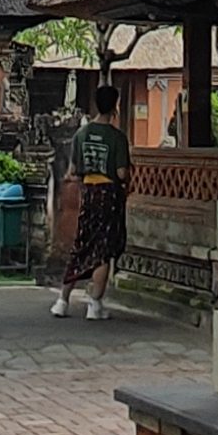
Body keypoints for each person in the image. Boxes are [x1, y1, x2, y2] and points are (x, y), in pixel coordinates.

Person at [52, 83, 131, 320]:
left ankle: (62, 301)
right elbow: (121, 174)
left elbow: (73, 170)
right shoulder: (117, 137)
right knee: (103, 249)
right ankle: (94, 304)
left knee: (81, 245)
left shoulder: (81, 134)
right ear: (115, 106)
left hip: (88, 193)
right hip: (109, 194)